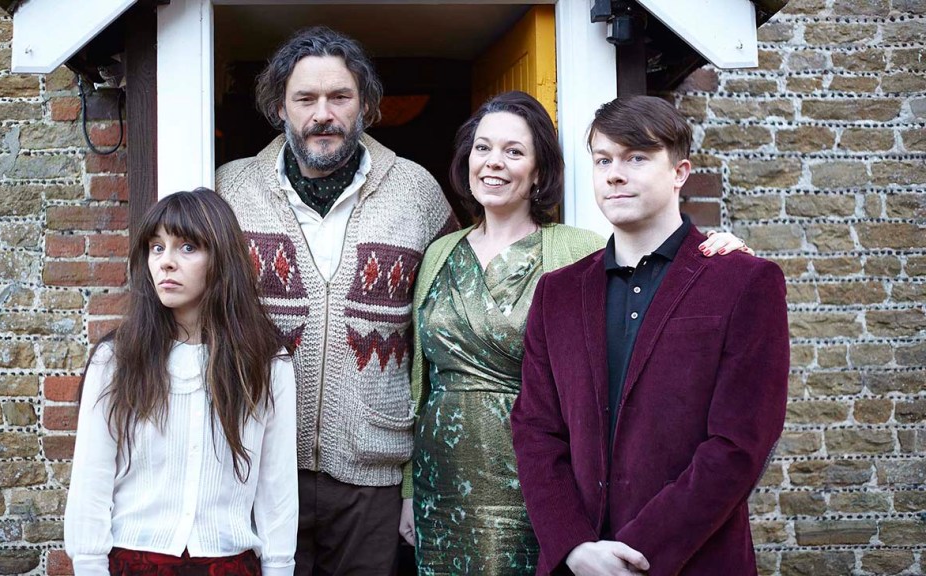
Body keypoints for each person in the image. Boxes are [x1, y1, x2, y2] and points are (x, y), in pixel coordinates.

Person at [401, 91, 751, 575]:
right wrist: (409, 488)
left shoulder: (576, 251)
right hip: (440, 480)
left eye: (513, 151)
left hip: (534, 487)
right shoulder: (438, 254)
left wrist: (719, 247)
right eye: (483, 148)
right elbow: (419, 380)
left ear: (539, 171)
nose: (493, 162)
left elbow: (650, 262)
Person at [511, 95, 790, 576]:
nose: (614, 174)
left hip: (693, 562)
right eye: (603, 160)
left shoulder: (744, 281)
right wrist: (574, 546)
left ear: (680, 172)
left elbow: (739, 444)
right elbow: (536, 430)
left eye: (636, 158)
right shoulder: (557, 292)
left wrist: (635, 554)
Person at [216, 27, 455, 575]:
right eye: (305, 98)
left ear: (365, 105)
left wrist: (416, 483)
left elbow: (446, 329)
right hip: (257, 462)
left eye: (339, 97)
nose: (323, 114)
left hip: (374, 470)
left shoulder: (416, 192)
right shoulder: (230, 190)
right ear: (280, 107)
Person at [64, 189, 298, 576]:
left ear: (221, 259)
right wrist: (89, 565)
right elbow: (91, 481)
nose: (166, 262)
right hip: (135, 563)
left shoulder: (267, 363)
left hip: (228, 565)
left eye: (187, 247)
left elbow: (277, 489)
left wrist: (279, 568)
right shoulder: (117, 359)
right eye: (157, 247)